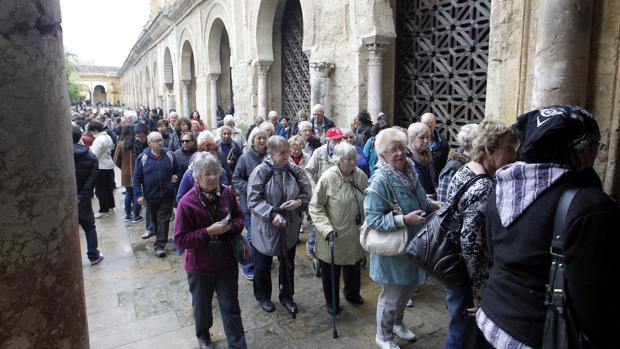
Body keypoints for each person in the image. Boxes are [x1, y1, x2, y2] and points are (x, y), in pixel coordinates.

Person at [478, 105, 620, 349]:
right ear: (581, 151)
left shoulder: (502, 188)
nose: (597, 152)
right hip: (536, 335)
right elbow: (595, 300)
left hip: (488, 323)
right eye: (596, 146)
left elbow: (493, 251)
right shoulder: (590, 207)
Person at [443, 120, 518, 349]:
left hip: (453, 267)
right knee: (464, 334)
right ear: (489, 149)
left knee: (459, 326)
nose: (514, 155)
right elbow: (471, 245)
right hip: (467, 276)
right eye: (509, 148)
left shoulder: (466, 169)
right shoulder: (483, 187)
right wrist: (479, 293)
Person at [364, 128, 440, 349]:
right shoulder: (379, 180)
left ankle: (397, 324)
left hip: (414, 243)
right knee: (391, 296)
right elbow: (374, 219)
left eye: (401, 148)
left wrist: (434, 205)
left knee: (407, 289)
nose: (399, 153)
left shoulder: (409, 171)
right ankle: (383, 336)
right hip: (393, 249)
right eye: (393, 150)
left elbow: (420, 200)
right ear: (382, 154)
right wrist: (403, 219)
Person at [174, 152, 247, 349]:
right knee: (202, 307)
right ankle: (203, 336)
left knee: (230, 306)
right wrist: (208, 232)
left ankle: (238, 345)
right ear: (196, 176)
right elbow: (180, 240)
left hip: (226, 261)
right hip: (200, 266)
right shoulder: (187, 203)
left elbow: (240, 218)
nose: (213, 177)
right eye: (207, 174)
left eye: (216, 172)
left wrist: (231, 228)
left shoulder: (228, 193)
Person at [247, 136, 312, 315]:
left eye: (287, 151)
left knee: (287, 263)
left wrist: (298, 203)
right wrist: (271, 213)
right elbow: (253, 199)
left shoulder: (294, 170)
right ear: (271, 153)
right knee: (262, 265)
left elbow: (307, 193)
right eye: (282, 153)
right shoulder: (261, 171)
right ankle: (263, 296)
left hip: (289, 226)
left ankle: (287, 295)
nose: (287, 156)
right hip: (265, 227)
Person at [309, 142, 368, 315]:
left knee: (354, 265)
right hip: (333, 234)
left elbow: (369, 197)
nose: (352, 162)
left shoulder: (360, 176)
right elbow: (315, 206)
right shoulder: (328, 177)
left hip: (355, 232)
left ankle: (352, 293)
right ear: (338, 160)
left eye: (353, 159)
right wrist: (325, 228)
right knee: (331, 271)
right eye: (347, 159)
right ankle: (332, 301)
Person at [304, 127, 345, 275]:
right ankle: (311, 250)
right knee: (319, 224)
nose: (339, 142)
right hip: (322, 194)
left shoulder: (344, 152)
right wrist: (315, 188)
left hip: (338, 195)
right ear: (328, 140)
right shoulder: (319, 152)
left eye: (340, 139)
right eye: (336, 140)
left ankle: (336, 250)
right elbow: (308, 171)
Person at [133, 132, 180, 257]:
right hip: (150, 197)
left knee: (163, 220)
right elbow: (137, 177)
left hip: (167, 196)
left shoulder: (169, 154)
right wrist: (139, 195)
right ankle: (158, 235)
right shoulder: (143, 158)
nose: (160, 142)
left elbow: (178, 171)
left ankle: (159, 246)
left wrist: (173, 183)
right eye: (156, 141)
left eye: (161, 140)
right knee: (155, 221)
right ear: (149, 143)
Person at [232, 128, 268, 281]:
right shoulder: (244, 158)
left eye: (264, 138)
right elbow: (236, 179)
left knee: (265, 235)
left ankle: (262, 261)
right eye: (258, 138)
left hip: (266, 205)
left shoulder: (269, 156)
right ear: (252, 140)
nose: (261, 141)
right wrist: (252, 187)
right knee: (253, 236)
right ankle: (249, 266)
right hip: (250, 206)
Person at [72, 126, 103, 265]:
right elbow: (92, 180)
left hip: (65, 199)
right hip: (83, 199)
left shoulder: (58, 154)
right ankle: (93, 255)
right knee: (89, 227)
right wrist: (82, 196)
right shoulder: (90, 156)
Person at [437, 124, 478, 203]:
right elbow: (442, 201)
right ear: (471, 142)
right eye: (480, 140)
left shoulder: (472, 162)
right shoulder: (453, 167)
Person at [114, 125, 142, 222]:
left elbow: (116, 160)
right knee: (136, 194)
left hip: (126, 173)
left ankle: (127, 214)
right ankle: (136, 215)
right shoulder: (137, 143)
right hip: (137, 173)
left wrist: (123, 168)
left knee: (129, 194)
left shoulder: (120, 144)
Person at [88, 121, 116, 218]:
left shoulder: (99, 140)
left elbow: (94, 155)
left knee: (100, 190)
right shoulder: (107, 136)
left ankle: (104, 210)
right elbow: (112, 147)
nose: (91, 134)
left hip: (101, 166)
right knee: (108, 188)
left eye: (91, 132)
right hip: (108, 165)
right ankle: (110, 207)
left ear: (95, 130)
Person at [407, 122, 437, 198]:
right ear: (412, 139)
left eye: (428, 137)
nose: (426, 141)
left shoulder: (429, 155)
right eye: (422, 137)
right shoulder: (406, 158)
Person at [421, 113, 450, 182]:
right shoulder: (413, 139)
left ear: (434, 124)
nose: (427, 129)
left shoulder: (442, 143)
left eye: (430, 126)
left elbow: (443, 165)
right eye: (425, 126)